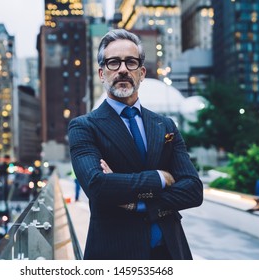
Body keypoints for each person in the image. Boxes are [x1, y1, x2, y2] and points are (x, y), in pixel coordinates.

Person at [68, 29, 203, 260]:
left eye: (131, 62)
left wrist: (137, 204)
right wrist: (160, 178)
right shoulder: (84, 127)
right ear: (102, 73)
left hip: (171, 252)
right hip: (115, 254)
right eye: (113, 63)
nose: (122, 69)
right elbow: (98, 186)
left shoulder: (165, 125)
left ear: (141, 72)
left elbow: (193, 190)